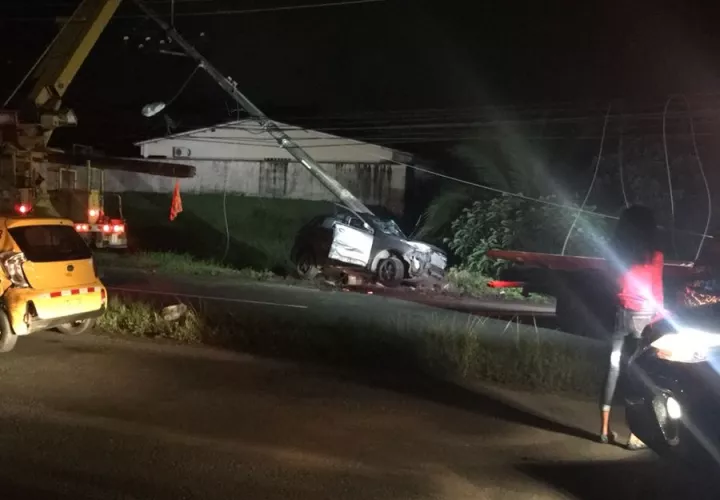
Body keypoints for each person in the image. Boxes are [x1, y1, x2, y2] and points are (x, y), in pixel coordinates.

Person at [599, 205, 665, 450]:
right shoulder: (654, 255)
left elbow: (608, 280)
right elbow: (657, 291)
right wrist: (660, 316)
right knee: (638, 372)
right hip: (644, 316)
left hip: (620, 312)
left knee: (612, 367)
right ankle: (636, 436)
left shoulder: (616, 252)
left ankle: (604, 431)